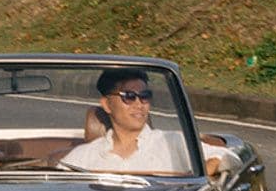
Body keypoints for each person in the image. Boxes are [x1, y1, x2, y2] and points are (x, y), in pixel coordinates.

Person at [60, 67, 190, 174]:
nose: (139, 104)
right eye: (129, 96)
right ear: (107, 104)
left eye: (145, 96)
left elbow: (210, 160)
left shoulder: (174, 142)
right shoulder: (83, 157)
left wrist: (184, 182)